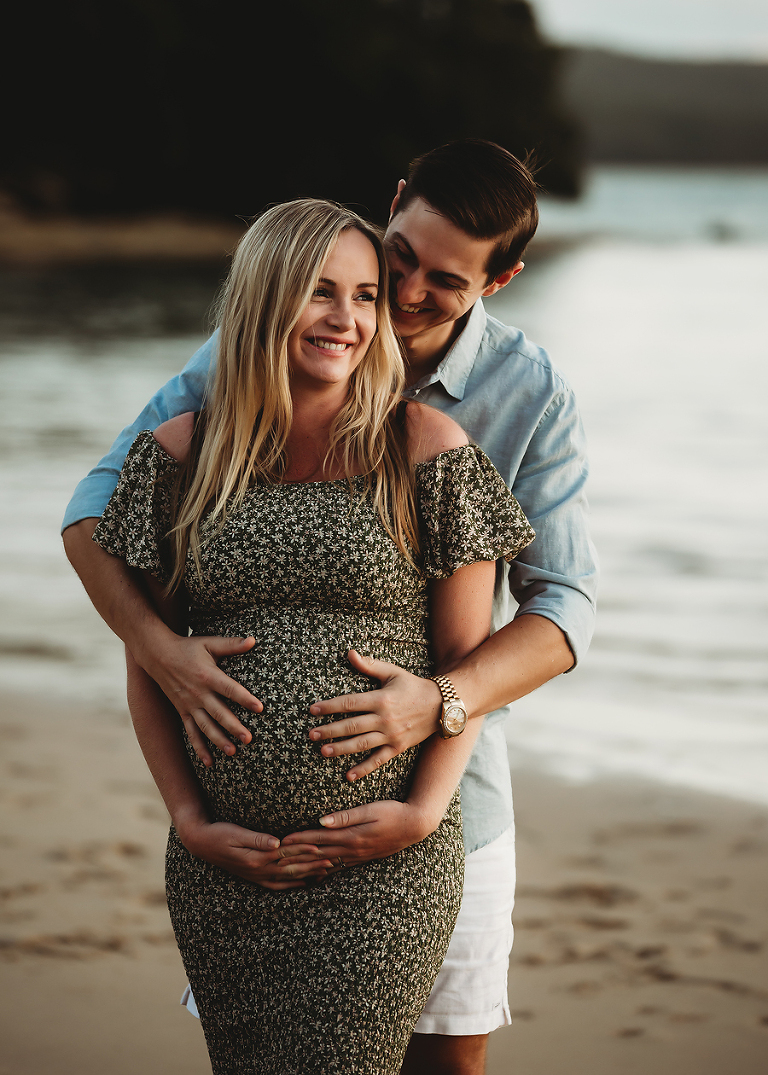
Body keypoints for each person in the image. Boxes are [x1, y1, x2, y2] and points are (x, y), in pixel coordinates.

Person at [63, 140, 597, 1075]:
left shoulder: (518, 398)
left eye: (446, 281)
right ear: (392, 205)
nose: (398, 296)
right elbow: (96, 515)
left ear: (500, 279)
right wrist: (161, 651)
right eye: (398, 256)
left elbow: (564, 610)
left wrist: (437, 706)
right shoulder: (255, 351)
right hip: (240, 846)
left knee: (445, 1066)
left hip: (444, 801)